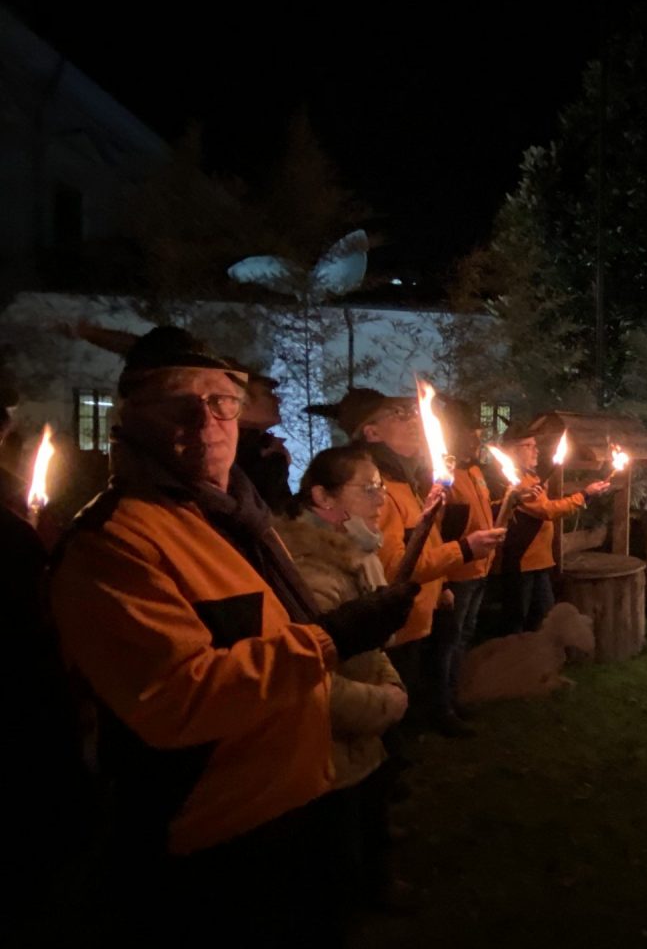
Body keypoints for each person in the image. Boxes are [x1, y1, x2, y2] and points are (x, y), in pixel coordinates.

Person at [48, 327, 419, 946]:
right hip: (214, 834)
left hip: (297, 798)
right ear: (131, 415)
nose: (206, 419)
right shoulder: (115, 544)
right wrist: (332, 640)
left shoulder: (238, 518)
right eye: (178, 402)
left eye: (221, 401)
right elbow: (177, 701)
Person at [316, 387, 505, 738]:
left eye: (413, 413)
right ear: (371, 432)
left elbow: (424, 541)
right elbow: (392, 570)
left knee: (416, 690)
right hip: (397, 626)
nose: (415, 420)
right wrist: (463, 550)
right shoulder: (377, 490)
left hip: (420, 612)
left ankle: (429, 721)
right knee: (390, 714)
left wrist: (443, 586)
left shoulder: (405, 483)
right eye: (399, 415)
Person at [273, 446, 409, 910]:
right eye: (367, 489)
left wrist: (389, 684)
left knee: (368, 816)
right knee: (338, 846)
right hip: (329, 745)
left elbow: (365, 643)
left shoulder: (354, 555)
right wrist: (382, 705)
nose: (381, 499)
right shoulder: (312, 577)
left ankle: (373, 885)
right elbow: (309, 681)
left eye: (381, 487)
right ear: (323, 498)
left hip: (358, 731)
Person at [498, 425, 610, 633]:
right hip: (523, 561)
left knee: (543, 617)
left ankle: (538, 658)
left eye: (536, 445)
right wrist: (584, 494)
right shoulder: (515, 482)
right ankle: (514, 659)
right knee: (517, 620)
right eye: (529, 446)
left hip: (540, 560)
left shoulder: (532, 478)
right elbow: (547, 510)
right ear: (512, 451)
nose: (536, 450)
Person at [441, 401, 495, 716]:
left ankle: (457, 694)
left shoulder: (475, 472)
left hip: (481, 567)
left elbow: (481, 510)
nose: (476, 442)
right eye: (471, 436)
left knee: (465, 635)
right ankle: (443, 705)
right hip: (457, 571)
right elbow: (440, 528)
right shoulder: (443, 476)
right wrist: (444, 580)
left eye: (479, 436)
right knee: (449, 640)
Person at [229, 361, 292, 514]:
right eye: (267, 394)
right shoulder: (233, 452)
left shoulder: (259, 448)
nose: (278, 400)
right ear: (240, 401)